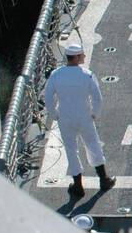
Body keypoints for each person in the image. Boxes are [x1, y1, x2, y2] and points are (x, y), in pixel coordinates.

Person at [43, 42, 115, 198]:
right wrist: (94, 114)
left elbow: (48, 97)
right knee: (93, 145)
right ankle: (104, 179)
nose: (84, 56)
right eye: (81, 54)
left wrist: (55, 115)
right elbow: (97, 98)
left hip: (65, 118)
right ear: (75, 57)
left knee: (71, 150)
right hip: (84, 117)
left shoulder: (56, 74)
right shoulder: (87, 74)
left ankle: (78, 186)